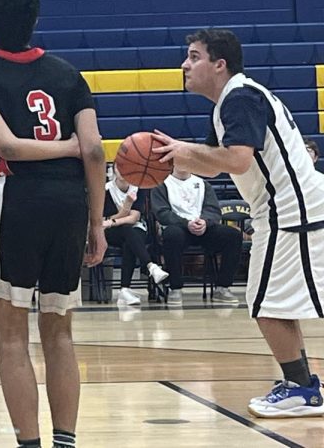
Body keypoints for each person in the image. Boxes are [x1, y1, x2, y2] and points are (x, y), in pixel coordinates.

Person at [0, 0, 106, 448]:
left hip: (17, 200)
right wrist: (97, 223)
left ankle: (29, 443)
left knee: (10, 334)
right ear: (35, 21)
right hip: (70, 205)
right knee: (60, 331)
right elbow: (95, 152)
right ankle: (66, 439)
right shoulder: (68, 74)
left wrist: (63, 148)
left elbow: (6, 146)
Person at [153, 28, 324, 418]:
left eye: (194, 56)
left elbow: (237, 160)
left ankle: (302, 389)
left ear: (219, 64)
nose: (185, 65)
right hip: (288, 209)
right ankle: (303, 385)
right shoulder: (229, 102)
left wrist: (184, 150)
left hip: (291, 209)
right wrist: (171, 157)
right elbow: (213, 164)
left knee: (265, 303)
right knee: (274, 303)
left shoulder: (240, 97)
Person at [149, 167, 242, 307]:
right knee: (171, 235)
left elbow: (213, 210)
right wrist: (186, 223)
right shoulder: (161, 184)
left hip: (202, 227)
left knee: (233, 235)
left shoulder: (203, 184)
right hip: (179, 228)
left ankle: (223, 287)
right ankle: (175, 288)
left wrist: (205, 221)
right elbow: (162, 213)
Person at [103, 168, 167, 306]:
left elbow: (134, 218)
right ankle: (151, 266)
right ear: (113, 170)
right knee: (127, 232)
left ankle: (124, 290)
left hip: (135, 228)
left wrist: (117, 218)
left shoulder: (138, 188)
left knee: (129, 241)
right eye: (118, 169)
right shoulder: (106, 190)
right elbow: (105, 220)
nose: (122, 172)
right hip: (111, 232)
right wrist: (124, 210)